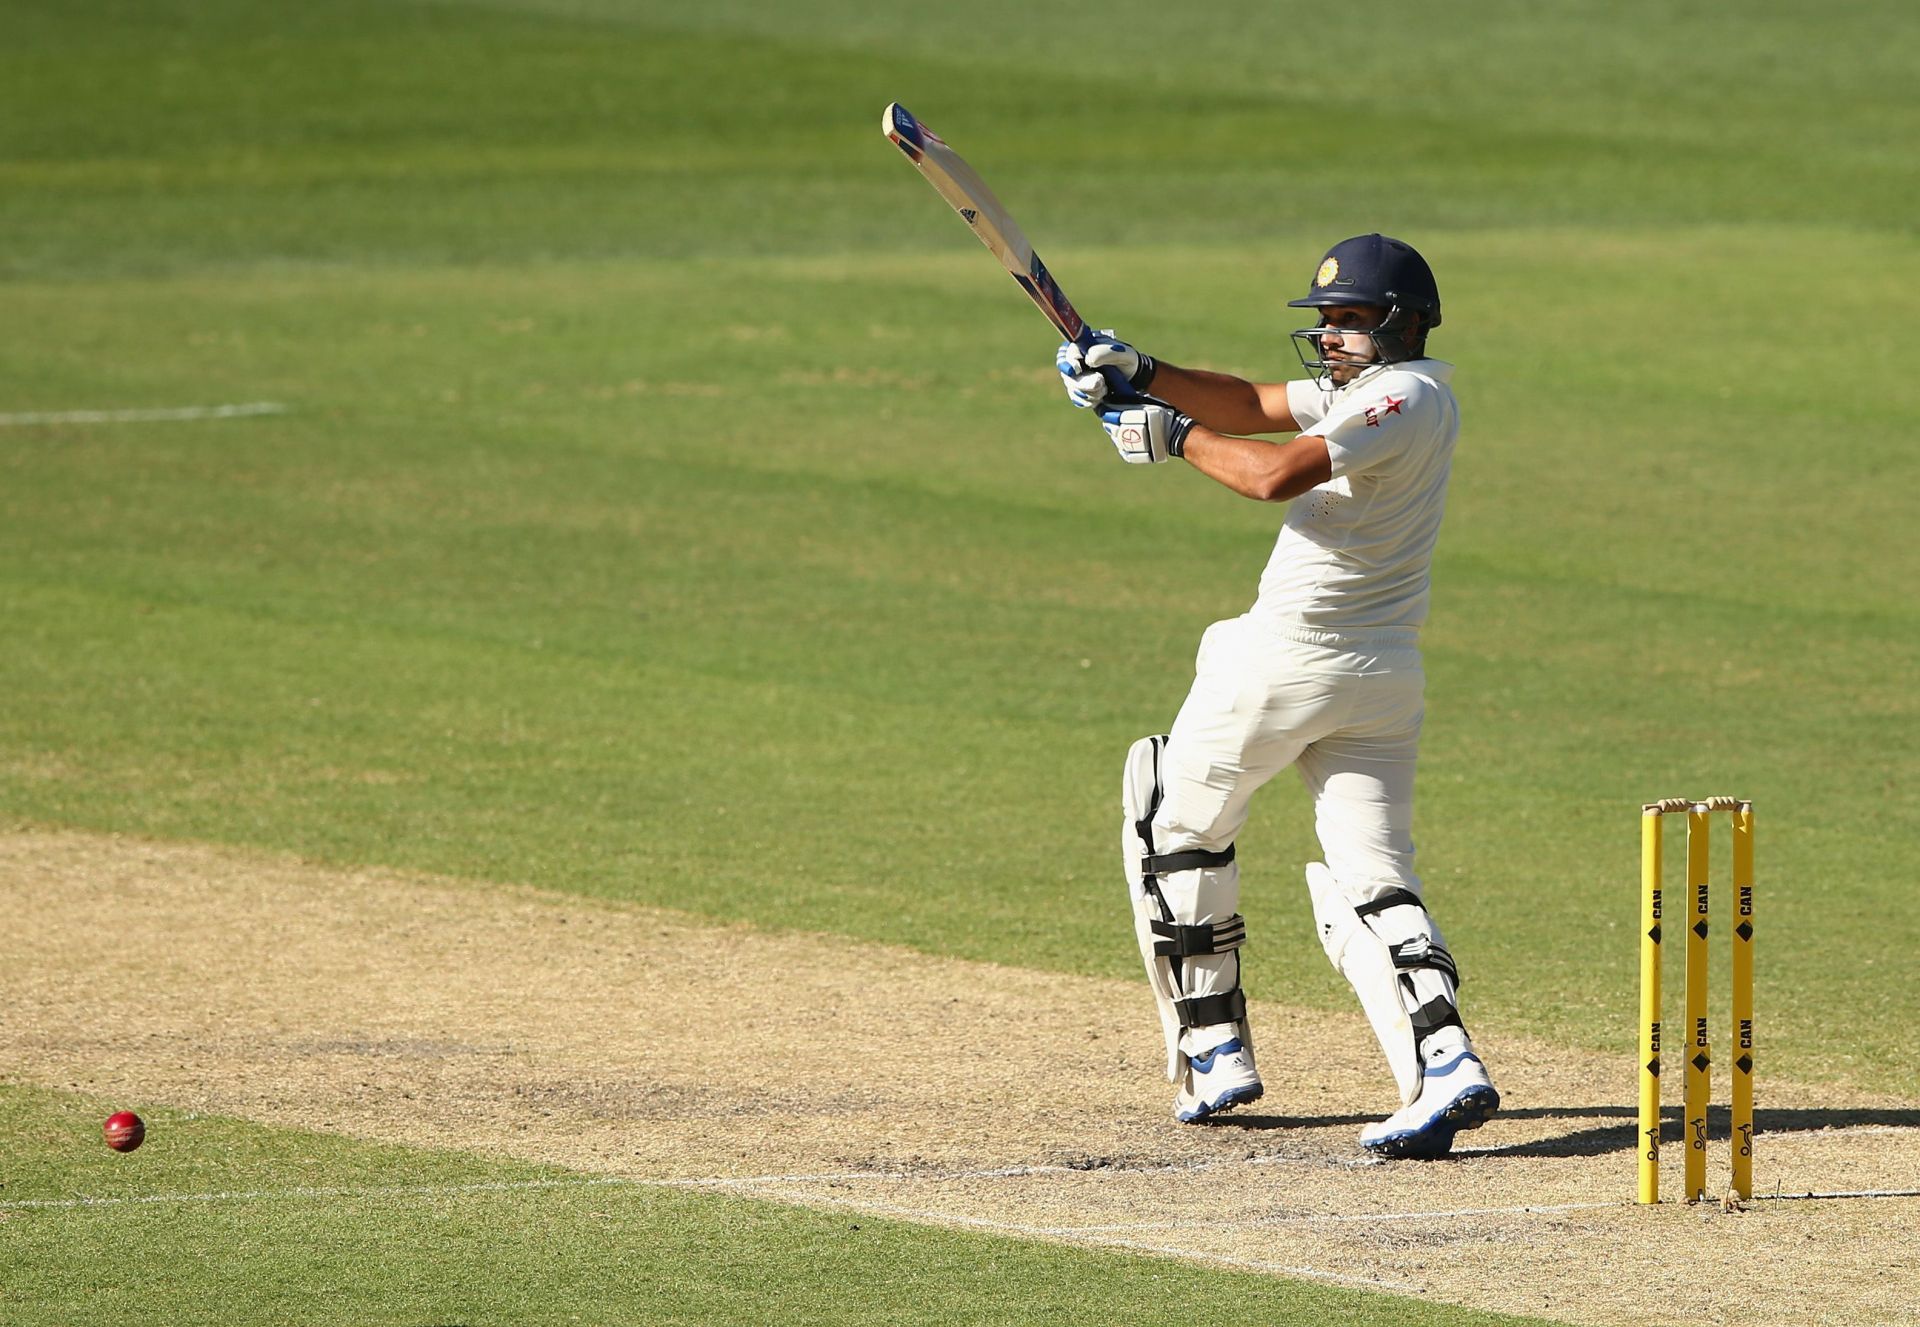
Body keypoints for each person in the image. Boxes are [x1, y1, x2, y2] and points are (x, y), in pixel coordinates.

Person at [1056, 234, 1498, 1158]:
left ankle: (1214, 1045)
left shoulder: (1400, 395)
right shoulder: (1394, 392)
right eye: (1326, 321)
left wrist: (1171, 436)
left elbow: (1270, 471)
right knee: (1377, 878)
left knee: (1172, 825)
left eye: (1350, 321)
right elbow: (1255, 403)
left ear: (1403, 323)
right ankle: (1448, 1059)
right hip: (1382, 679)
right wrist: (1144, 370)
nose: (1332, 336)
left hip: (1284, 662)